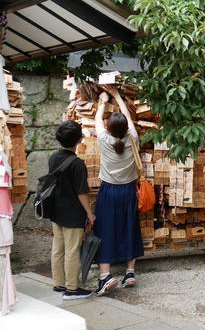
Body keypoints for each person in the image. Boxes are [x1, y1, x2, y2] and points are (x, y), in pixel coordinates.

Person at [93, 91, 144, 296]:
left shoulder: (104, 139)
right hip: (128, 189)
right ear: (125, 129)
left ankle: (105, 275)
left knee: (104, 229)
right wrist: (118, 96)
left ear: (109, 128)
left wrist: (104, 102)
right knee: (130, 226)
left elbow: (97, 118)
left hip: (109, 190)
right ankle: (130, 273)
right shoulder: (132, 137)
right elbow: (128, 116)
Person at [48, 121, 95, 299]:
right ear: (78, 140)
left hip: (56, 211)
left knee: (58, 248)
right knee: (72, 250)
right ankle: (72, 289)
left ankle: (58, 284)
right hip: (73, 213)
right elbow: (82, 193)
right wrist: (89, 213)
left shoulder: (53, 158)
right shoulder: (77, 164)